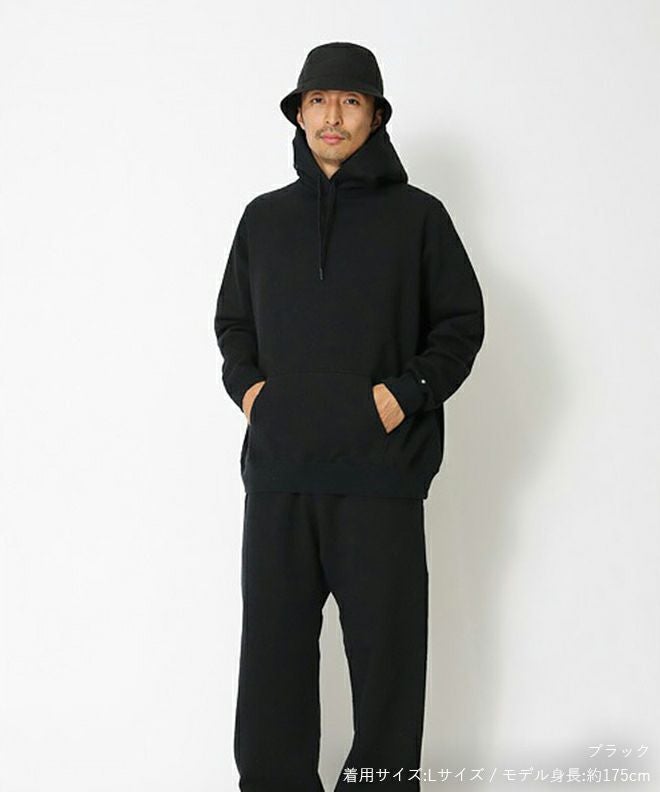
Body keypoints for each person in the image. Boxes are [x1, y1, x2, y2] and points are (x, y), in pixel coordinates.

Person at [214, 41, 485, 792]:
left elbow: (460, 325)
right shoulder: (263, 219)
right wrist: (253, 393)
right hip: (281, 478)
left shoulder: (420, 218)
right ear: (300, 114)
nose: (332, 115)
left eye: (350, 100)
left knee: (387, 673)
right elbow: (233, 324)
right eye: (318, 100)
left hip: (381, 478)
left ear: (375, 116)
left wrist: (404, 395)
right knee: (271, 672)